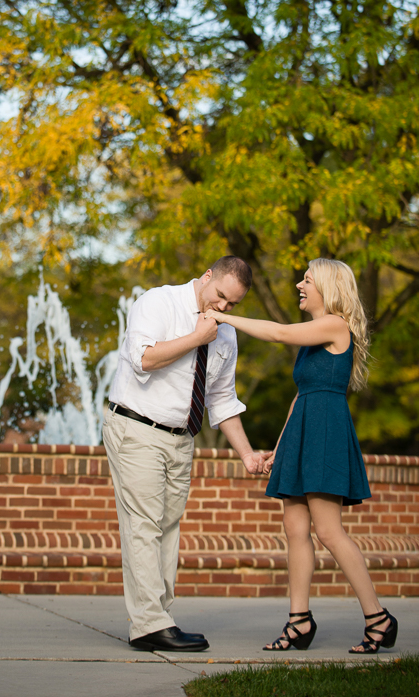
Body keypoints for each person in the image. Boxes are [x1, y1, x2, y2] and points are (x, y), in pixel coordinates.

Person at [206, 257, 398, 655]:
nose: (299, 284)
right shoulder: (314, 339)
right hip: (303, 433)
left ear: (327, 287)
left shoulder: (335, 325)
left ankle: (378, 618)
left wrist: (223, 318)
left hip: (326, 433)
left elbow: (277, 333)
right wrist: (281, 447)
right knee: (294, 530)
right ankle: (299, 621)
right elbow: (299, 397)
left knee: (328, 531)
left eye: (307, 279)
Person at [103, 256, 267, 653]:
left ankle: (159, 618)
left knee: (168, 527)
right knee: (144, 524)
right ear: (207, 276)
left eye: (233, 305)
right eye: (221, 297)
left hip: (181, 438)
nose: (224, 308)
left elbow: (222, 400)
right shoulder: (159, 303)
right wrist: (197, 337)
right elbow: (143, 358)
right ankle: (150, 624)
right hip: (137, 427)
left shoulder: (225, 334)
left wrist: (246, 455)